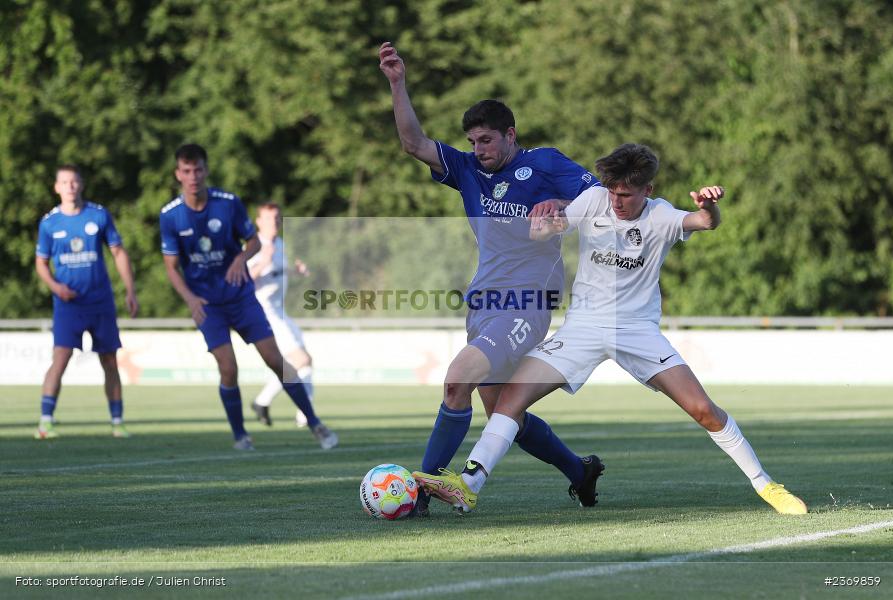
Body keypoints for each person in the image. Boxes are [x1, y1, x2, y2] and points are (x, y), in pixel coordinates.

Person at [419, 143, 808, 515]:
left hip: (636, 330)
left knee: (703, 409)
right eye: (612, 192)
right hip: (582, 328)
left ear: (647, 190)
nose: (616, 201)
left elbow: (703, 222)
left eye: (625, 194)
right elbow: (550, 229)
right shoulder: (594, 201)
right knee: (510, 400)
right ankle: (469, 486)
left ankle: (766, 485)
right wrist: (544, 222)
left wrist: (709, 208)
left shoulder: (660, 216)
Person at [379, 42, 605, 516]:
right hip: (484, 305)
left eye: (486, 140)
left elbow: (603, 201)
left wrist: (561, 207)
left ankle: (420, 491)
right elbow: (413, 144)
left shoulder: (544, 164)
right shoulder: (467, 171)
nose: (478, 150)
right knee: (504, 413)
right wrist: (398, 83)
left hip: (526, 303)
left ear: (510, 135)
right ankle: (579, 471)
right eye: (473, 142)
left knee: (455, 381)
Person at [159, 143, 337, 450]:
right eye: (186, 171)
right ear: (178, 174)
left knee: (274, 360)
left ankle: (315, 424)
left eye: (198, 169)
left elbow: (253, 241)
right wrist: (189, 299)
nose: (193, 176)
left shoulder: (227, 203)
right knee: (227, 367)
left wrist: (242, 258)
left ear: (206, 170)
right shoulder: (171, 216)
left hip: (240, 297)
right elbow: (172, 267)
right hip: (206, 304)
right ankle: (241, 436)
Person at [34, 165, 139, 439]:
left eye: (74, 181)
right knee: (61, 358)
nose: (70, 186)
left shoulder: (98, 215)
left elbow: (118, 252)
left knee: (110, 360)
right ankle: (46, 421)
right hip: (68, 305)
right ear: (56, 187)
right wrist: (56, 286)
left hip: (100, 302)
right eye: (64, 182)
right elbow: (41, 263)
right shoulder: (49, 223)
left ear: (81, 184)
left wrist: (130, 290)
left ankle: (117, 422)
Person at [247, 202, 315, 428]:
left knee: (305, 362)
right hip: (265, 314)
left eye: (277, 218)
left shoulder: (279, 244)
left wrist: (295, 271)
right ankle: (306, 417)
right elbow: (243, 280)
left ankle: (265, 403)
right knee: (300, 360)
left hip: (280, 311)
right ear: (258, 222)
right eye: (268, 219)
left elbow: (276, 273)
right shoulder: (254, 246)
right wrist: (262, 262)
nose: (274, 223)